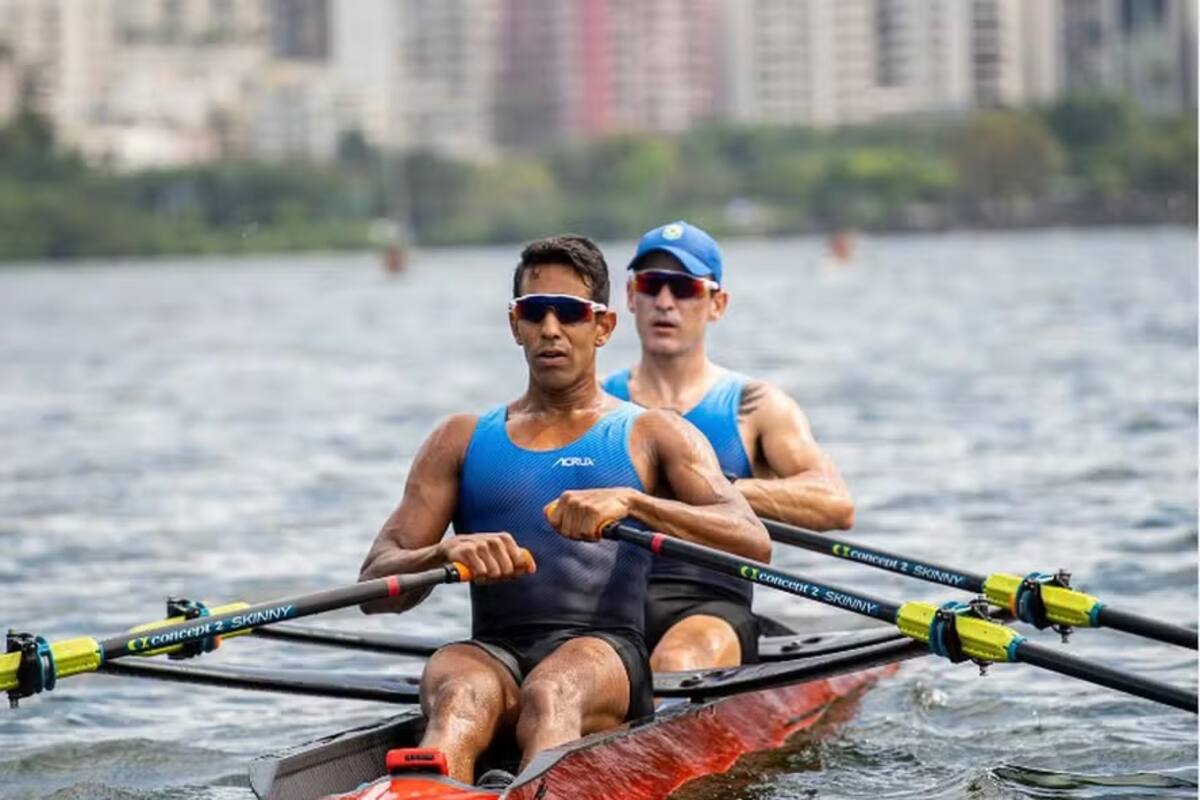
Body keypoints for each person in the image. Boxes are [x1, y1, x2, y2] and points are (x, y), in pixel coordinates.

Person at [358, 234, 769, 785]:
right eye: (535, 312)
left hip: (604, 654)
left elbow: (750, 540)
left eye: (571, 313)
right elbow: (375, 586)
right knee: (457, 698)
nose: (551, 328)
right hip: (492, 650)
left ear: (602, 327)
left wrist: (634, 502)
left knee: (552, 693)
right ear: (515, 325)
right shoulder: (457, 439)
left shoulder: (653, 433)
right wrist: (442, 550)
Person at [603, 221, 854, 673]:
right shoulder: (595, 403)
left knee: (677, 658)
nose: (664, 302)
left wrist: (708, 487)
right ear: (630, 297)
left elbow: (835, 504)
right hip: (605, 611)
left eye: (683, 288)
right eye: (651, 285)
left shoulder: (756, 407)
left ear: (716, 304)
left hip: (709, 610)